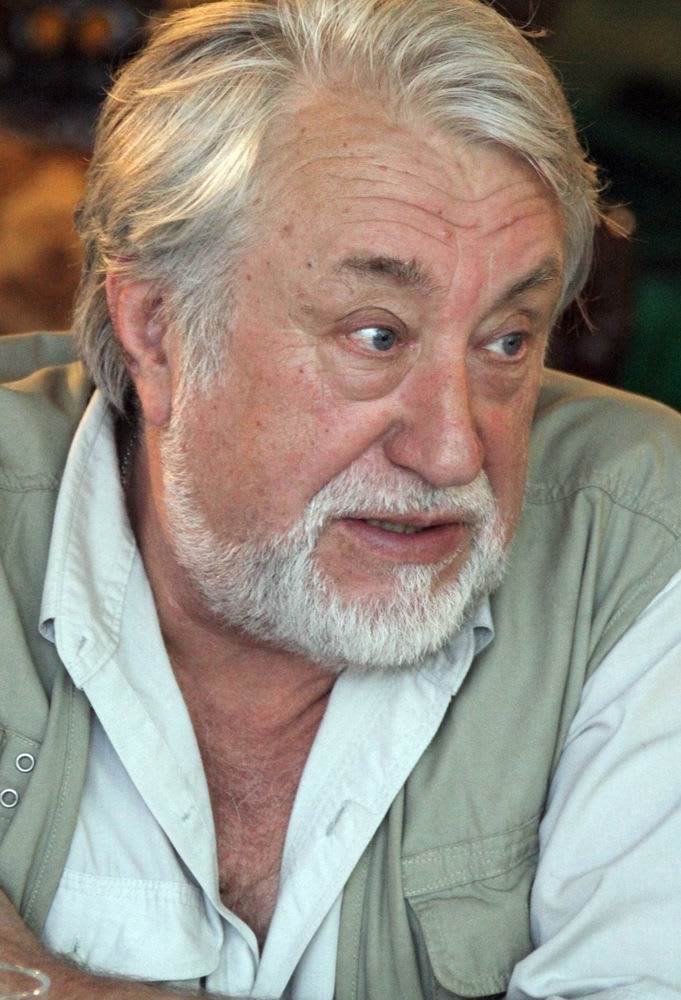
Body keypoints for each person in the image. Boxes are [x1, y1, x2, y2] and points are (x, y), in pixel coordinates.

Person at [1, 1, 681, 997]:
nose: (453, 450)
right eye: (376, 335)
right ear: (157, 328)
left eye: (506, 340)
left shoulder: (639, 541)